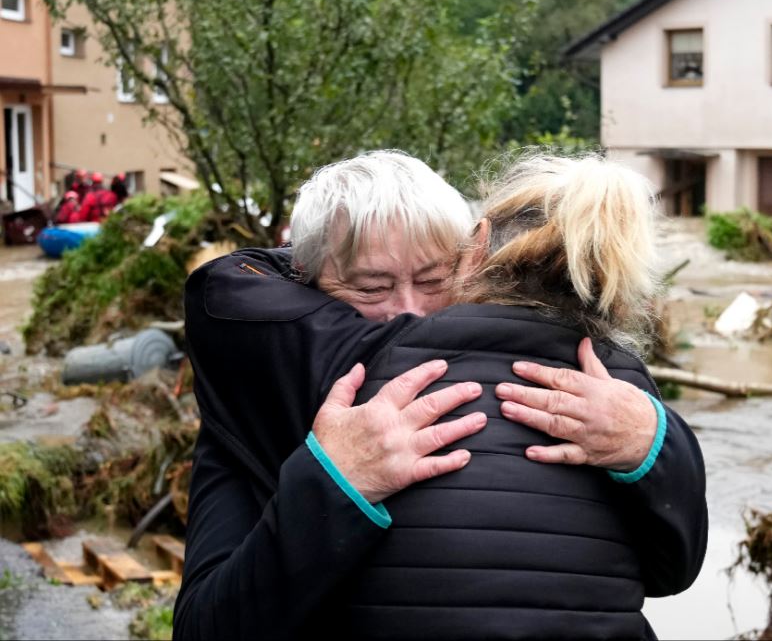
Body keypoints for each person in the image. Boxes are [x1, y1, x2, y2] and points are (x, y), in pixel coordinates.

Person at [175, 150, 704, 639]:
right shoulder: (260, 388)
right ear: (301, 283)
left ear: (473, 257)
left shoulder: (603, 393)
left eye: (433, 280)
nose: (408, 312)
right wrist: (334, 484)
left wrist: (650, 442)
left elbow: (667, 570)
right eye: (370, 288)